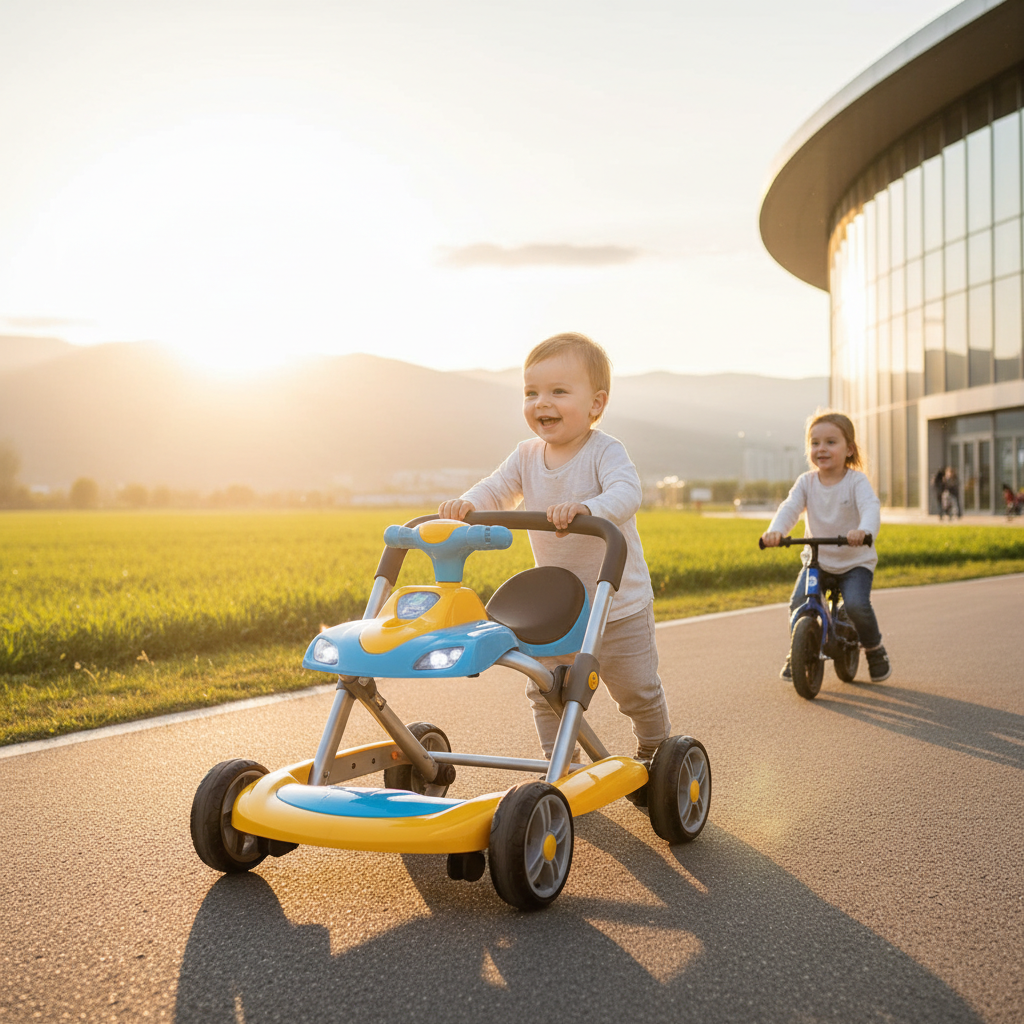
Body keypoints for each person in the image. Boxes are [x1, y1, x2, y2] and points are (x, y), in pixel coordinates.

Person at [438, 332, 670, 785]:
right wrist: (467, 505)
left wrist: (589, 509)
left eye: (559, 392)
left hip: (616, 607)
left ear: (596, 404)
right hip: (558, 614)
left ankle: (658, 747)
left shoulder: (605, 451)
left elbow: (627, 492)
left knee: (637, 691)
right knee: (546, 688)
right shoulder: (525, 456)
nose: (542, 402)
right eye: (532, 393)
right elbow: (495, 488)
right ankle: (560, 765)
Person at [761, 410, 891, 683]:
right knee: (799, 603)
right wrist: (775, 532)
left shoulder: (856, 481)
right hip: (817, 561)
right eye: (815, 442)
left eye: (831, 442)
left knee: (856, 605)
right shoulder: (806, 482)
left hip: (854, 561)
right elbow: (790, 509)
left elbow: (870, 507)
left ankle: (875, 650)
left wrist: (864, 531)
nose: (821, 448)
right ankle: (797, 650)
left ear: (849, 449)